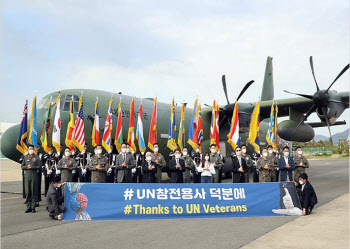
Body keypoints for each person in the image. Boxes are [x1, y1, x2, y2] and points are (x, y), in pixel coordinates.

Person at [21, 145, 42, 213]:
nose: (31, 150)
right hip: (27, 176)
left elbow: (40, 166)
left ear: (33, 149)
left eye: (32, 149)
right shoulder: (25, 157)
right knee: (27, 192)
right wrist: (27, 167)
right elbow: (22, 166)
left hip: (34, 175)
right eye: (29, 149)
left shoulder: (37, 158)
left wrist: (33, 167)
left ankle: (33, 207)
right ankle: (28, 207)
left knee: (33, 191)